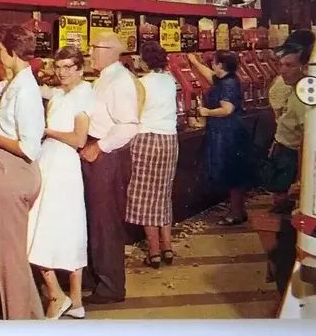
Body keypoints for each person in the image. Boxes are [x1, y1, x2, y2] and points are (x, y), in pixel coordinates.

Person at [0, 24, 46, 320]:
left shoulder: (26, 90)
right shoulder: (17, 82)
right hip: (15, 171)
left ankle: (17, 322)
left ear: (10, 52)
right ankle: (32, 318)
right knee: (15, 256)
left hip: (15, 171)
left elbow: (30, 147)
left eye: (0, 49)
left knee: (10, 259)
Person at [28, 46, 92, 319]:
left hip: (63, 166)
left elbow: (79, 139)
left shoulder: (83, 94)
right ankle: (73, 301)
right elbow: (37, 90)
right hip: (50, 163)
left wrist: (46, 131)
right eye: (59, 66)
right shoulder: (59, 93)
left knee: (49, 230)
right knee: (58, 230)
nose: (62, 72)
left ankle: (60, 296)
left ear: (80, 70)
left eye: (68, 67)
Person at [79, 31, 142, 305]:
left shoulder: (119, 81)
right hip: (98, 153)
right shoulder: (104, 78)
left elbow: (129, 125)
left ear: (110, 51)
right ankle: (96, 278)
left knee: (105, 222)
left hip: (107, 157)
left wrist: (99, 147)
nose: (90, 53)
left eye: (94, 48)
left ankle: (111, 286)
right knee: (95, 219)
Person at [125, 42, 179, 269]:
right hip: (169, 140)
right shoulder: (170, 80)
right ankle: (168, 247)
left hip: (146, 138)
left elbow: (133, 113)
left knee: (145, 196)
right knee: (163, 194)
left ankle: (154, 252)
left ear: (144, 60)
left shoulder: (141, 83)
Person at [189, 51, 251, 225]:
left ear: (221, 65)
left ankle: (235, 213)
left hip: (228, 132)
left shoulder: (228, 84)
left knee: (231, 172)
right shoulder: (226, 79)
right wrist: (194, 62)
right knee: (234, 172)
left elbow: (227, 109)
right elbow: (210, 76)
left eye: (214, 62)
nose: (212, 65)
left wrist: (206, 112)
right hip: (227, 130)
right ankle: (238, 210)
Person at [263, 33, 314, 213]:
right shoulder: (294, 90)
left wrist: (300, 179)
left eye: (290, 66)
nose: (282, 71)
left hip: (291, 157)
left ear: (304, 67)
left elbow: (305, 140)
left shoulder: (303, 97)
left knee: (286, 205)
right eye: (281, 65)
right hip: (283, 152)